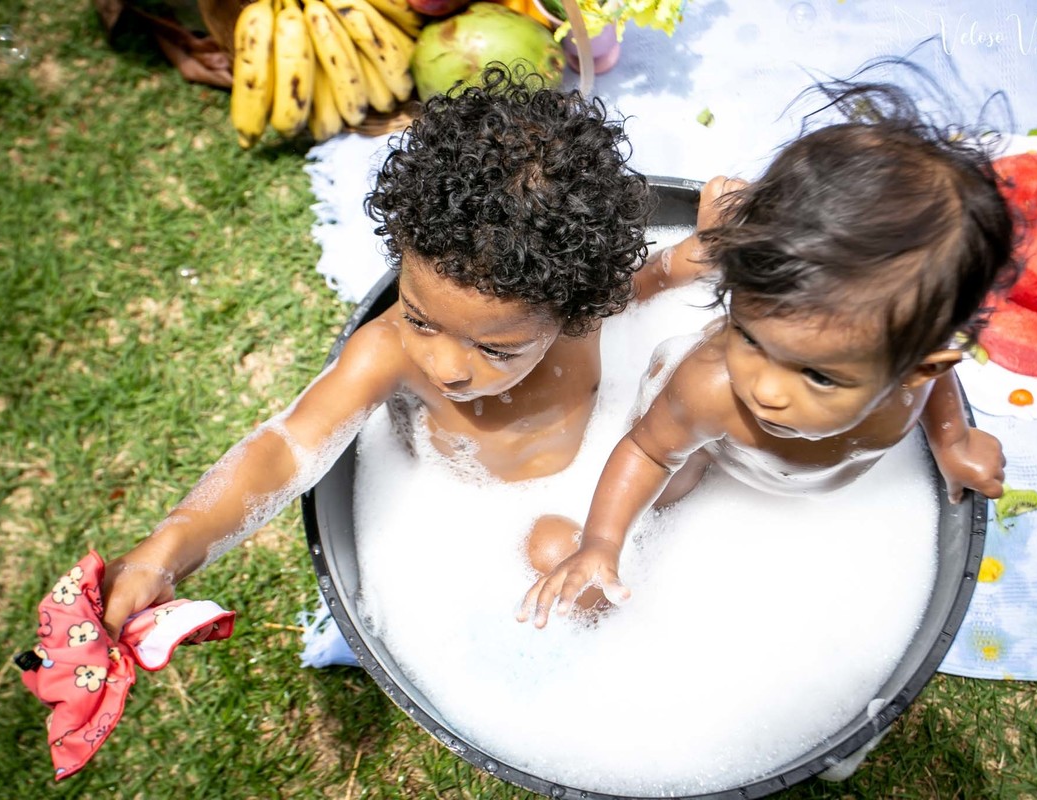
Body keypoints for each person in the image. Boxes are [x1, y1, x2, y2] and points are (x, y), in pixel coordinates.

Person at [99, 64, 714, 639]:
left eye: (497, 349)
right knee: (552, 551)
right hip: (498, 518)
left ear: (573, 308)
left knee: (691, 398)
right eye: (421, 319)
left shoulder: (581, 308)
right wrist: (169, 547)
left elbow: (639, 285)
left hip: (610, 481)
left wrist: (690, 257)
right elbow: (284, 449)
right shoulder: (385, 352)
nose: (445, 367)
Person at [518, 82, 1018, 628]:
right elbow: (647, 453)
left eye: (819, 377)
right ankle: (690, 258)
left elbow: (935, 390)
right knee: (671, 479)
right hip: (702, 444)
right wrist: (601, 542)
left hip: (790, 477)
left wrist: (954, 441)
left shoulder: (912, 378)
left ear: (914, 366)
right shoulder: (711, 389)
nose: (765, 390)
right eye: (750, 336)